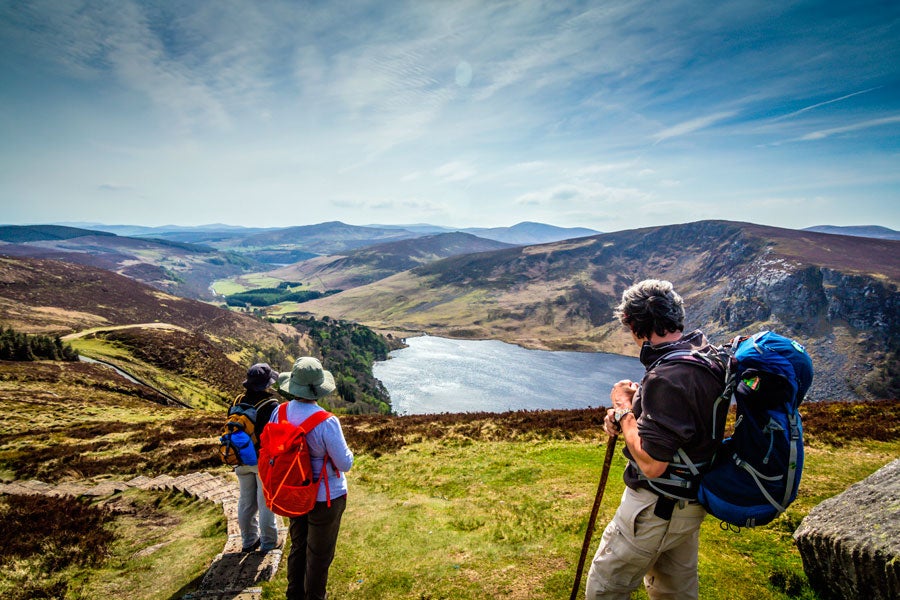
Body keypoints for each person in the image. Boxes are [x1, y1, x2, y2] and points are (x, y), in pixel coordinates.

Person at [585, 279, 727, 600]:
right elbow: (679, 420)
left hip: (655, 509)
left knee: (604, 589)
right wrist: (630, 414)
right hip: (689, 504)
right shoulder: (704, 355)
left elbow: (652, 463)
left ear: (637, 327)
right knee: (675, 593)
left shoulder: (668, 375)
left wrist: (623, 407)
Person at [274, 357, 354, 600]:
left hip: (293, 492)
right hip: (325, 497)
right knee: (319, 555)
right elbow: (344, 463)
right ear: (318, 388)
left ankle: (294, 594)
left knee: (298, 545)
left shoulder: (280, 411)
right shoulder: (327, 421)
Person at [233, 363, 281, 553]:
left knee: (246, 502)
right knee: (265, 502)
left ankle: (248, 541)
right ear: (266, 384)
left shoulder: (238, 400)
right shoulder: (271, 405)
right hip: (261, 460)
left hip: (241, 458)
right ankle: (269, 543)